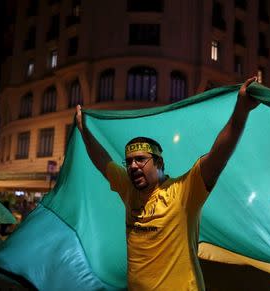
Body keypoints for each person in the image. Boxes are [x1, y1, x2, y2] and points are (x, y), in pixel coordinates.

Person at [76, 77, 259, 290]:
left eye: (141, 160)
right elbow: (102, 160)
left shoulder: (184, 191)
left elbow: (219, 155)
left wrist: (241, 110)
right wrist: (84, 131)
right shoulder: (128, 188)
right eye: (129, 162)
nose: (133, 166)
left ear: (159, 162)